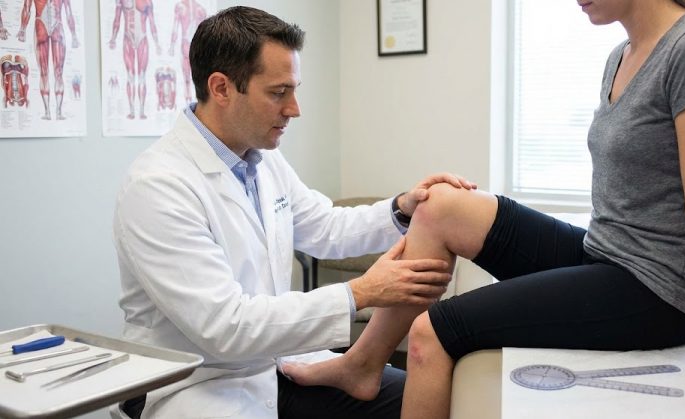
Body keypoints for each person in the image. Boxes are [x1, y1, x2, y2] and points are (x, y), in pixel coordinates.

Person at [283, 1, 685, 417]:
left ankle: (374, 365)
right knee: (440, 207)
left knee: (433, 332)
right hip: (604, 254)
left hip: (656, 291)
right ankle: (363, 364)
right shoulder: (622, 55)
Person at [113, 6, 474, 419]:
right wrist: (361, 293)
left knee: (424, 397)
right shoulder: (158, 186)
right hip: (197, 384)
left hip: (277, 362)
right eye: (278, 92)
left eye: (294, 89)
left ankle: (361, 365)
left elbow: (326, 227)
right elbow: (225, 327)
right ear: (222, 88)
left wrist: (401, 208)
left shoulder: (261, 159)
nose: (295, 108)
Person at [17, 0, 79, 120]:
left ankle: (58, 111)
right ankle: (47, 111)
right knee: (44, 73)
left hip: (57, 27)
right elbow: (27, 7)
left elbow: (68, 12)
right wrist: (22, 29)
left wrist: (74, 35)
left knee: (58, 72)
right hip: (41, 26)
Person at [108, 0, 161, 120]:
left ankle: (141, 110)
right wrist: (113, 38)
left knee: (141, 76)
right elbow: (117, 19)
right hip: (128, 38)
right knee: (130, 76)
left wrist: (157, 43)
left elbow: (152, 23)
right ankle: (132, 110)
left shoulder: (147, 2)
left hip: (142, 39)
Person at [168, 0, 207, 105]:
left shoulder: (198, 9)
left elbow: (175, 28)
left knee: (190, 78)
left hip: (190, 44)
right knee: (188, 77)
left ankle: (191, 103)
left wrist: (172, 46)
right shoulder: (198, 9)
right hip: (190, 45)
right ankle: (189, 102)